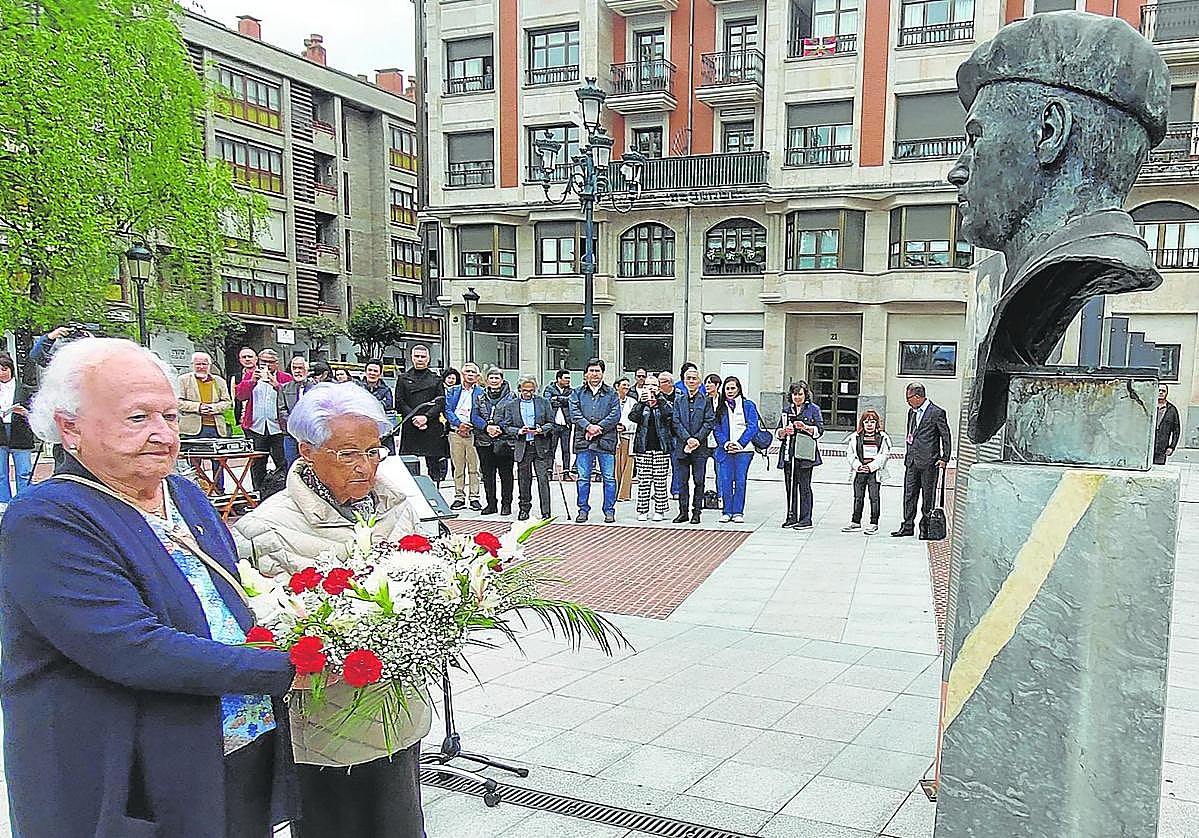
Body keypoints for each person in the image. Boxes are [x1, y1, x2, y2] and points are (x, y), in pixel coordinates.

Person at [1, 338, 297, 838]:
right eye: (138, 418)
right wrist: (290, 668)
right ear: (70, 427)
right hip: (132, 776)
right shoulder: (47, 518)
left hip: (233, 742)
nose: (163, 434)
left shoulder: (179, 490)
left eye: (169, 415)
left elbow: (226, 592)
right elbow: (132, 647)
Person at [950, 13, 1170, 443]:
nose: (957, 171)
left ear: (1049, 132)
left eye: (976, 139)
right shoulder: (1017, 279)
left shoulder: (1073, 268)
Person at [232, 383, 428, 838]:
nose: (366, 466)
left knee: (399, 824)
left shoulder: (397, 506)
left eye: (374, 451)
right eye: (347, 454)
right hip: (323, 724)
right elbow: (257, 629)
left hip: (397, 714)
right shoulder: (264, 528)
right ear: (307, 450)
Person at [893, 383, 952, 539]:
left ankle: (925, 528)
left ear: (918, 397)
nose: (907, 402)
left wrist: (944, 457)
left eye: (908, 398)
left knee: (928, 496)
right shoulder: (911, 413)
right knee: (909, 494)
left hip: (929, 462)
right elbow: (911, 434)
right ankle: (907, 526)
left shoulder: (937, 412)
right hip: (912, 461)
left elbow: (946, 436)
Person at [568, 359, 621, 523]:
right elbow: (574, 413)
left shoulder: (612, 393)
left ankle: (609, 510)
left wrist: (599, 428)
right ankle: (583, 509)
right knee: (583, 478)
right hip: (584, 440)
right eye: (591, 370)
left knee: (609, 478)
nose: (594, 374)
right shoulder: (577, 393)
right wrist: (588, 427)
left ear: (603, 373)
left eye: (597, 371)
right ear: (586, 374)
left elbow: (615, 414)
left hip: (606, 440)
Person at [235, 348, 293, 490]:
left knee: (282, 462)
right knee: (257, 463)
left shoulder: (285, 378)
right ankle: (258, 492)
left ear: (276, 364)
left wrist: (277, 386)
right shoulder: (250, 375)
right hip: (257, 426)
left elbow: (289, 399)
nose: (266, 365)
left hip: (278, 428)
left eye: (270, 362)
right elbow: (240, 396)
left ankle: (283, 491)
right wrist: (251, 381)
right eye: (263, 361)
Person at [502, 375, 556, 521]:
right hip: (523, 446)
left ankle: (546, 511)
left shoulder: (543, 402)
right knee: (523, 480)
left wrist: (541, 429)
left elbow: (551, 422)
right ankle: (524, 508)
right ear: (519, 389)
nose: (528, 393)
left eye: (531, 391)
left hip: (539, 446)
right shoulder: (511, 405)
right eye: (525, 390)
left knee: (543, 479)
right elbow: (506, 426)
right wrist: (519, 431)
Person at [178, 351, 233, 488]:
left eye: (204, 364)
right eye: (198, 364)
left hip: (216, 428)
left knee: (219, 462)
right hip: (193, 428)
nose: (201, 367)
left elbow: (227, 402)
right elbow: (177, 402)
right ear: (192, 365)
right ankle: (196, 490)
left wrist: (214, 408)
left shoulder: (218, 381)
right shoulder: (183, 380)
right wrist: (198, 407)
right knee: (194, 463)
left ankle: (219, 490)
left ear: (209, 365)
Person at [713, 376, 761, 524]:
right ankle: (727, 511)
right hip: (726, 450)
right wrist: (726, 443)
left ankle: (738, 511)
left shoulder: (748, 405)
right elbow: (716, 428)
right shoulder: (720, 408)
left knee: (740, 481)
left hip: (744, 451)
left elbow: (753, 426)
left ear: (738, 388)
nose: (730, 391)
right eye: (727, 388)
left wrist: (740, 444)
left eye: (733, 388)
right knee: (725, 480)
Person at [395, 345, 446, 482]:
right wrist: (414, 417)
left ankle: (436, 495)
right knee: (409, 466)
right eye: (417, 356)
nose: (420, 359)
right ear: (412, 358)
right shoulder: (403, 378)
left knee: (434, 466)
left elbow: (440, 402)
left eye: (423, 356)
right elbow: (399, 402)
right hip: (410, 426)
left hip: (431, 425)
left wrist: (426, 417)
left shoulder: (436, 379)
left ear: (428, 359)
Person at [671, 366, 715, 524]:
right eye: (688, 378)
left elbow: (709, 422)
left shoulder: (706, 400)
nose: (691, 381)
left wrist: (696, 439)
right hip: (682, 447)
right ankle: (683, 512)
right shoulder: (678, 400)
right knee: (682, 481)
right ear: (684, 380)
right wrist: (687, 438)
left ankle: (696, 512)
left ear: (699, 382)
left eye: (694, 379)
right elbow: (675, 422)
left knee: (699, 481)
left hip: (700, 448)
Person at [629, 371, 675, 521]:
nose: (650, 388)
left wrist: (659, 398)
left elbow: (670, 414)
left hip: (662, 447)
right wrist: (641, 402)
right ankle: (642, 510)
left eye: (654, 385)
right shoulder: (641, 403)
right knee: (644, 480)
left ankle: (660, 510)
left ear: (659, 387)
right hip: (643, 447)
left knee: (660, 480)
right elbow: (632, 417)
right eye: (647, 385)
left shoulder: (664, 401)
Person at [777, 381, 824, 529]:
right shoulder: (786, 410)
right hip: (789, 452)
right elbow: (778, 432)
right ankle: (791, 515)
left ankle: (806, 518)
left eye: (800, 394)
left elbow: (820, 430)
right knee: (790, 485)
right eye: (795, 394)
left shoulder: (813, 409)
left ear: (805, 395)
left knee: (804, 485)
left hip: (805, 452)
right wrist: (784, 432)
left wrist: (805, 427)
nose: (797, 397)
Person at [842, 409, 893, 535]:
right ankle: (855, 521)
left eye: (872, 422)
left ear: (877, 423)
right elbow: (850, 454)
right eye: (866, 422)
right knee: (858, 497)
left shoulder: (882, 438)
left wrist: (871, 466)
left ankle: (873, 523)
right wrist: (858, 466)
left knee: (874, 498)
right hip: (859, 471)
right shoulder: (855, 437)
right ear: (862, 423)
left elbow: (884, 455)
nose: (869, 424)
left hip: (874, 472)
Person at [471, 367, 514, 515]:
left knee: (506, 474)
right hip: (484, 440)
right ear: (487, 380)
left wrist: (499, 428)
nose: (494, 381)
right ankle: (491, 504)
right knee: (488, 475)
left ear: (502, 380)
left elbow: (512, 416)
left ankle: (506, 504)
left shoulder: (511, 397)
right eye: (491, 378)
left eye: (497, 378)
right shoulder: (480, 397)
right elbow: (474, 415)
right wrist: (486, 427)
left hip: (504, 440)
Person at [443, 362, 483, 510]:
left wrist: (470, 425)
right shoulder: (453, 391)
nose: (470, 374)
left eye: (473, 372)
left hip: (473, 433)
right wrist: (459, 424)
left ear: (477, 376)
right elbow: (447, 410)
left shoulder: (481, 392)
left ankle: (474, 497)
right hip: (456, 433)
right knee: (458, 467)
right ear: (462, 374)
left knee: (474, 467)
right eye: (468, 372)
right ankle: (459, 496)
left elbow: (481, 412)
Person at [0, 355, 34, 501]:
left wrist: (25, 412)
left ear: (11, 369)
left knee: (24, 472)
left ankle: (24, 501)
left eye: (4, 369)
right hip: (1, 433)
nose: (2, 373)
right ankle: (4, 502)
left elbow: (35, 413)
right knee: (1, 473)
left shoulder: (23, 389)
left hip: (20, 434)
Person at [280, 356, 316, 468]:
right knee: (291, 465)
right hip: (290, 435)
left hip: (311, 435)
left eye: (300, 368)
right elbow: (281, 410)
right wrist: (294, 427)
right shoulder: (284, 388)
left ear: (306, 369)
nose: (297, 371)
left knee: (312, 464)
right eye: (294, 368)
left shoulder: (316, 388)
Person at [544, 368, 575, 480]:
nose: (568, 380)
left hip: (566, 424)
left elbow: (571, 401)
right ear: (558, 379)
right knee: (551, 448)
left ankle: (566, 472)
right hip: (553, 424)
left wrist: (557, 398)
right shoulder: (549, 388)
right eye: (566, 378)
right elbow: (547, 401)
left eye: (569, 378)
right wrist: (563, 401)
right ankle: (549, 471)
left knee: (566, 449)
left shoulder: (571, 391)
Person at [614, 376, 638, 502]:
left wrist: (624, 426)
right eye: (624, 385)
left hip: (628, 436)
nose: (626, 388)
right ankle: (613, 492)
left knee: (627, 465)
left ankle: (624, 494)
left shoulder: (633, 402)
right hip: (613, 437)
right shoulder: (611, 400)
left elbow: (635, 420)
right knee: (615, 466)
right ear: (617, 386)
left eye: (628, 386)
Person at [231, 346, 259, 426]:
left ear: (256, 359)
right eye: (244, 357)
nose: (247, 359)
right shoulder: (236, 377)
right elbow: (234, 398)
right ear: (240, 360)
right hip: (242, 419)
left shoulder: (263, 373)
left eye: (250, 357)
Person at [1154, 384, 1182, 466]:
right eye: (1159, 390)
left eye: (1163, 391)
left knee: (1158, 471)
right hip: (1145, 447)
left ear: (1167, 393)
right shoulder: (1148, 406)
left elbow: (1176, 431)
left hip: (1161, 448)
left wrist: (1172, 447)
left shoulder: (1172, 410)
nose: (1160, 393)